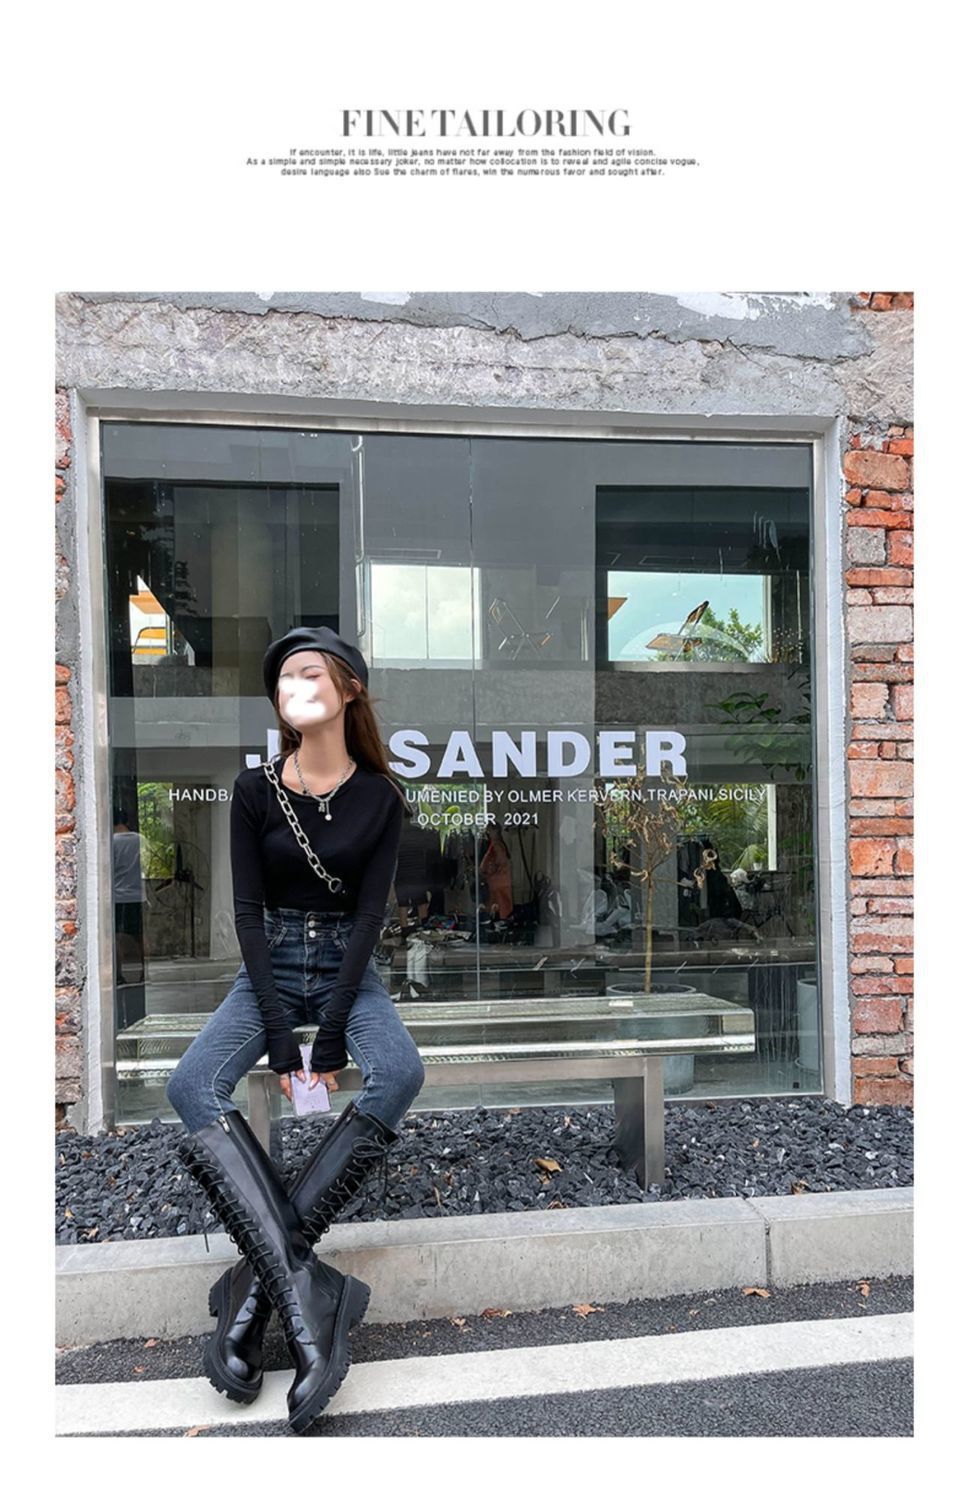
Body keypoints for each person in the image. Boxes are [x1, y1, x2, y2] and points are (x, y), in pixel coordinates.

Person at [166, 626, 425, 1435]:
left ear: (348, 689)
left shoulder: (379, 797)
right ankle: (307, 1289)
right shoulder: (253, 790)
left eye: (308, 672)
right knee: (190, 1084)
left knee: (400, 1071)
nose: (293, 686)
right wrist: (282, 1034)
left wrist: (336, 1022)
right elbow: (245, 915)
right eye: (282, 678)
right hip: (269, 962)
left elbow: (371, 917)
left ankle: (253, 1293)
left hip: (346, 964)